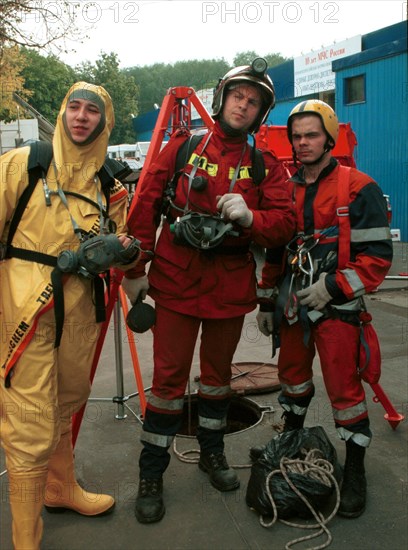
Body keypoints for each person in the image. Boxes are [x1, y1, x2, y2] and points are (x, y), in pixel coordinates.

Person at [122, 59, 296, 524]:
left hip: (228, 286)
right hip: (177, 282)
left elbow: (286, 225)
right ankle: (152, 472)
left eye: (253, 100)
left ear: (260, 113)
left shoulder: (264, 165)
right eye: (239, 95)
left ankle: (212, 454)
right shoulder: (183, 147)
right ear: (223, 98)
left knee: (218, 379)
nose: (244, 104)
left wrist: (252, 218)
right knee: (167, 383)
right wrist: (135, 268)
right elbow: (145, 206)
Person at [0, 82, 140, 550]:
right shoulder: (24, 164)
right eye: (75, 107)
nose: (82, 117)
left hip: (81, 309)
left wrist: (123, 253)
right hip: (25, 308)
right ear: (63, 112)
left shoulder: (110, 185)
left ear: (104, 122)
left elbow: (124, 243)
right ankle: (25, 538)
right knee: (29, 421)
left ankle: (59, 490)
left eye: (93, 111)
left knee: (66, 402)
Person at [254, 99, 393, 518]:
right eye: (296, 136)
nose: (303, 143)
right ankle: (291, 444)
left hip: (338, 310)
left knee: (345, 393)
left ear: (329, 137)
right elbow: (276, 247)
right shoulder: (287, 190)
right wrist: (265, 299)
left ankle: (354, 470)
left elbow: (377, 256)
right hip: (293, 304)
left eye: (311, 135)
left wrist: (332, 287)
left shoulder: (358, 186)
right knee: (292, 380)